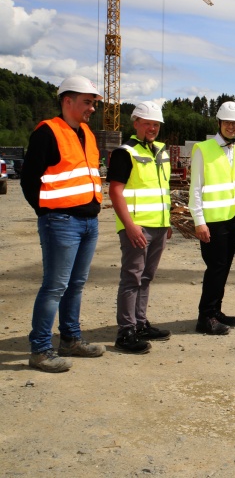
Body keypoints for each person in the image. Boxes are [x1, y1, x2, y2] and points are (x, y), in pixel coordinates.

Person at [21, 76, 107, 372]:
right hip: (60, 221)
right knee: (55, 286)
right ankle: (40, 350)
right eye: (87, 101)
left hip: (88, 222)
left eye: (94, 103)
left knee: (76, 284)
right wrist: (47, 212)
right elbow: (29, 179)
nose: (92, 108)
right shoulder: (48, 132)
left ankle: (70, 339)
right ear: (67, 101)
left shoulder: (87, 134)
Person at [107, 101, 172, 354]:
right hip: (137, 226)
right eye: (147, 123)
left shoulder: (160, 152)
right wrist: (130, 226)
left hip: (158, 225)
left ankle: (140, 323)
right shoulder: (125, 152)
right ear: (136, 123)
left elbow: (162, 190)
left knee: (146, 277)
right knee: (132, 277)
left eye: (156, 124)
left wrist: (167, 222)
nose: (152, 128)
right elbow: (115, 191)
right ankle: (125, 331)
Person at [189, 101, 235, 335]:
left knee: (223, 268)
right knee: (215, 268)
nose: (231, 127)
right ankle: (205, 317)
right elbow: (196, 188)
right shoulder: (203, 149)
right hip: (212, 221)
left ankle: (215, 311)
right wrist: (199, 221)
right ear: (219, 123)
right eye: (227, 122)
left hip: (232, 218)